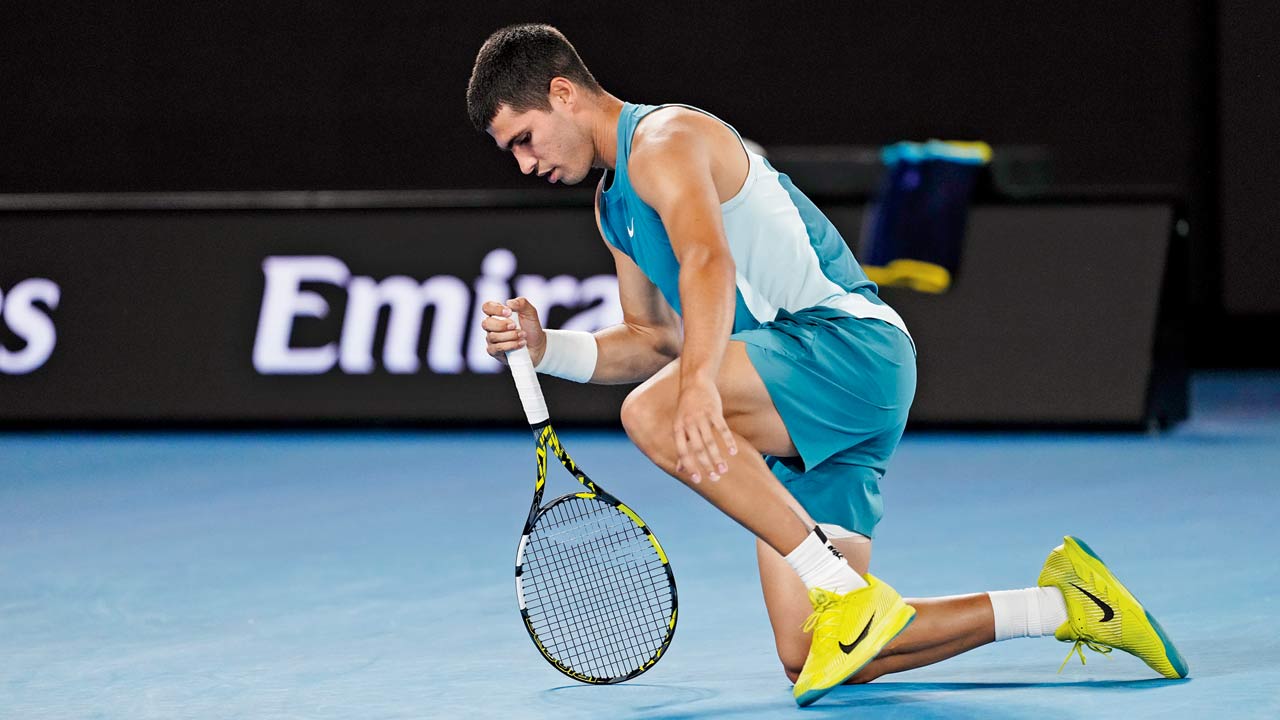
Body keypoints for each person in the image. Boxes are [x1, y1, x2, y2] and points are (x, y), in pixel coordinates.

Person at [466, 23, 1187, 705]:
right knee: (816, 656)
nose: (527, 163)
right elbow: (650, 337)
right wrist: (546, 348)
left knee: (652, 412)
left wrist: (695, 392)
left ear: (563, 93)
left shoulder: (665, 138)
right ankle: (1067, 604)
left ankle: (842, 590)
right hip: (797, 395)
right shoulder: (611, 206)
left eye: (524, 139)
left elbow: (705, 260)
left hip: (845, 349)